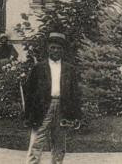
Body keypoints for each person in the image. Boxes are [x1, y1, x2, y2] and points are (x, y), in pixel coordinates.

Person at [24, 32, 81, 164]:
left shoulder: (69, 69)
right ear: (48, 49)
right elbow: (29, 92)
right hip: (43, 107)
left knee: (59, 144)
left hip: (62, 107)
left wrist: (76, 115)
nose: (55, 51)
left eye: (59, 48)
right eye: (53, 47)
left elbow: (75, 93)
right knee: (36, 142)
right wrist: (28, 115)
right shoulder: (39, 68)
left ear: (63, 50)